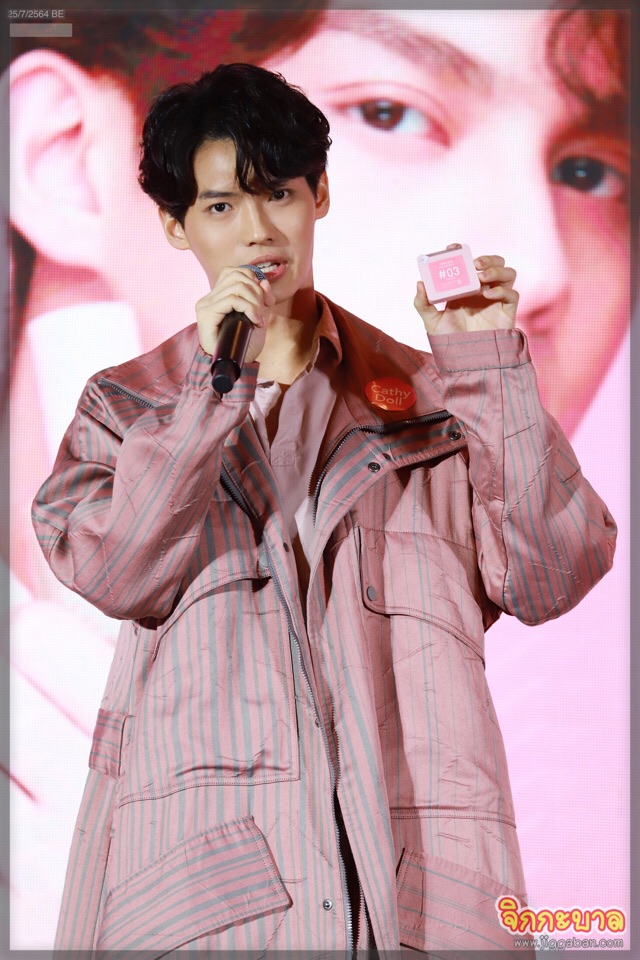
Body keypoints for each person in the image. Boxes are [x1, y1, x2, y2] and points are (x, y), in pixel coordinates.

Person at [6, 5, 631, 947]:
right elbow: (113, 569)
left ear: (317, 197)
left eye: (589, 169)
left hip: (430, 916)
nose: (544, 262)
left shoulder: (442, 410)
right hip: (214, 919)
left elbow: (550, 576)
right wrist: (214, 385)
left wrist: (489, 369)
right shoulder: (126, 407)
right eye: (388, 109)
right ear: (171, 221)